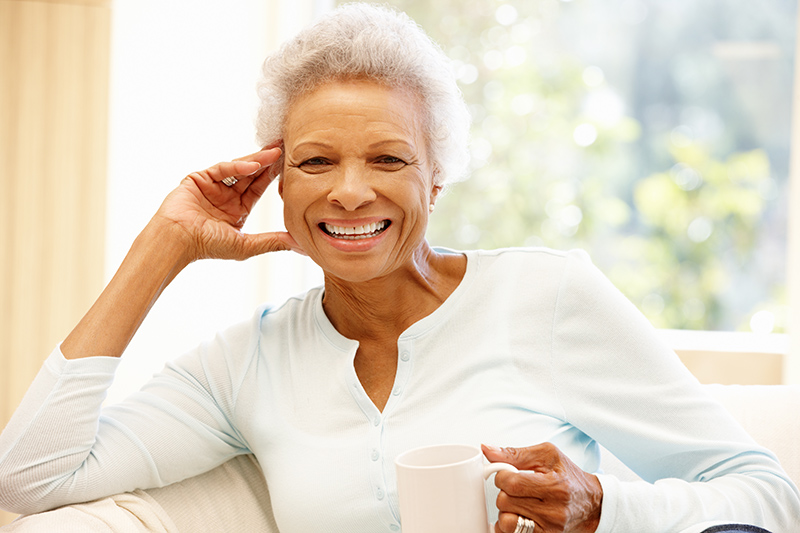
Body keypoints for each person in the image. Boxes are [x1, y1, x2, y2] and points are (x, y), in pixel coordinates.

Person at [0, 3, 798, 533]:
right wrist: (163, 246)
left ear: (435, 177)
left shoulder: (546, 296)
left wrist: (603, 506)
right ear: (280, 182)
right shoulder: (245, 362)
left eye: (388, 157)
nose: (351, 191)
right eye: (315, 161)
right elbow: (28, 479)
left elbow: (765, 493)